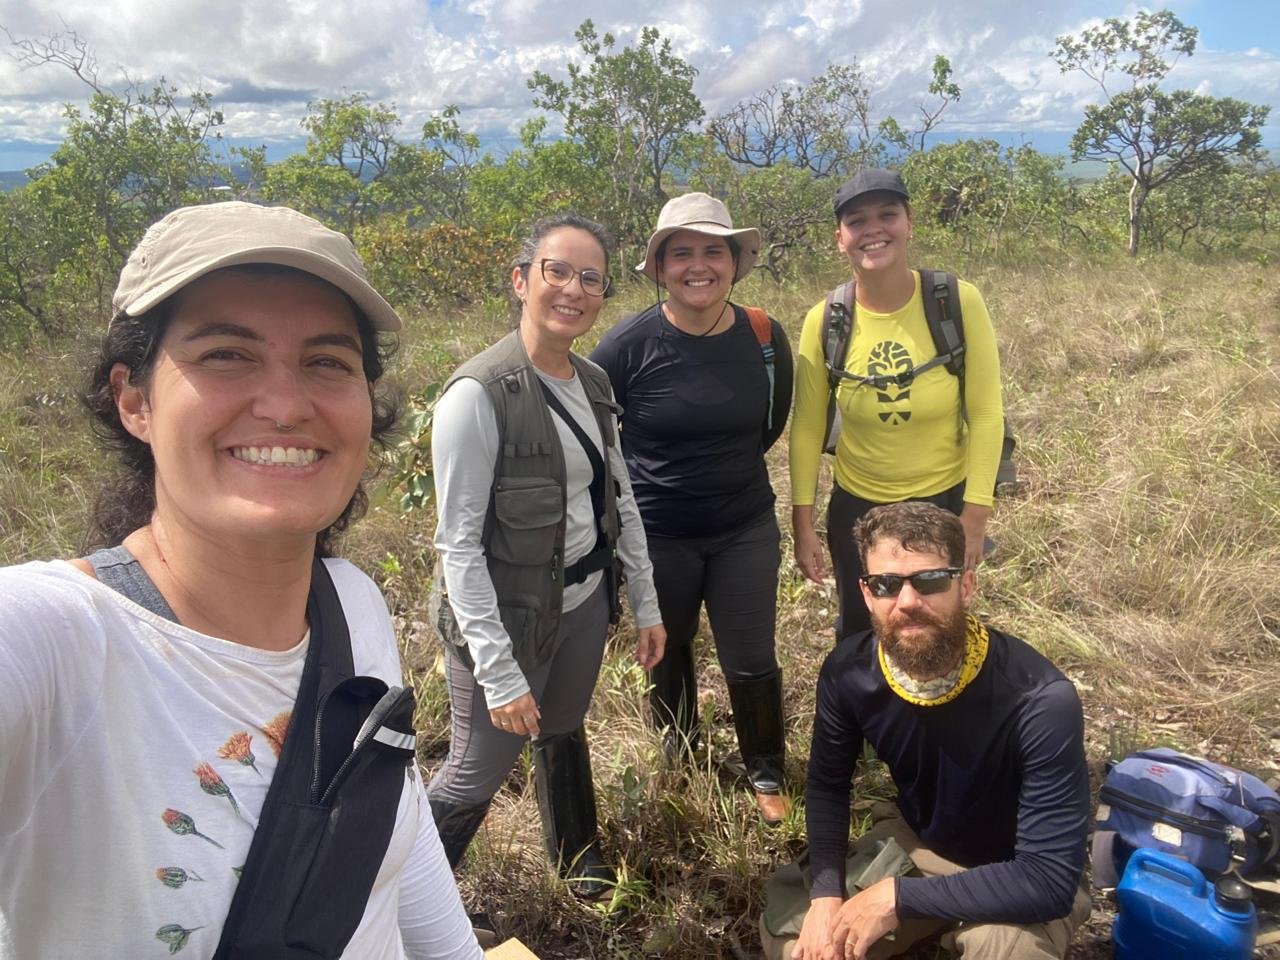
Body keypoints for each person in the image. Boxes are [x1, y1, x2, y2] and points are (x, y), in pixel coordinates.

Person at [0, 202, 482, 958]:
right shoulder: (51, 640)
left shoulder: (352, 605)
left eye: (327, 361)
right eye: (227, 354)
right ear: (135, 401)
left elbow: (395, 830)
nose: (287, 406)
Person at [427, 213, 666, 898]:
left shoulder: (592, 382)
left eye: (591, 278)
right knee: (476, 766)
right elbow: (458, 548)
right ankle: (411, 901)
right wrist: (499, 674)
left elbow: (620, 500)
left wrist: (644, 602)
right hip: (507, 619)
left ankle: (577, 855)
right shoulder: (478, 396)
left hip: (584, 603)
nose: (573, 289)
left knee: (562, 728)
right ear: (521, 279)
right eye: (556, 271)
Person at [761, 502, 1090, 960]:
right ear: (866, 593)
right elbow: (827, 786)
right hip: (917, 847)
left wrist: (896, 899)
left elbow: (1048, 880)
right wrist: (825, 897)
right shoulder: (849, 672)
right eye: (887, 585)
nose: (908, 602)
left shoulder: (1040, 700)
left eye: (930, 580)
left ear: (966, 584)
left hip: (1015, 871)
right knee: (798, 942)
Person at [590, 192, 795, 824]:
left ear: (735, 261)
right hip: (657, 534)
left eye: (714, 250)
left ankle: (765, 768)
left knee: (751, 654)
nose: (698, 265)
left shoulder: (763, 336)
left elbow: (770, 422)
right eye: (682, 253)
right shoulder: (625, 345)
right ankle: (681, 756)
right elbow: (597, 438)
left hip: (744, 525)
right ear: (659, 267)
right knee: (667, 647)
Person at [789, 169, 1005, 640]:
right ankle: (861, 714)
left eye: (888, 215)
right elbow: (806, 428)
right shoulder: (825, 321)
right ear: (839, 238)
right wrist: (802, 524)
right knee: (862, 631)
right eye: (857, 221)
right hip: (859, 507)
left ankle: (935, 714)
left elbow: (986, 415)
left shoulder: (955, 303)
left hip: (943, 500)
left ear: (909, 223)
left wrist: (974, 517)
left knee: (935, 630)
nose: (873, 230)